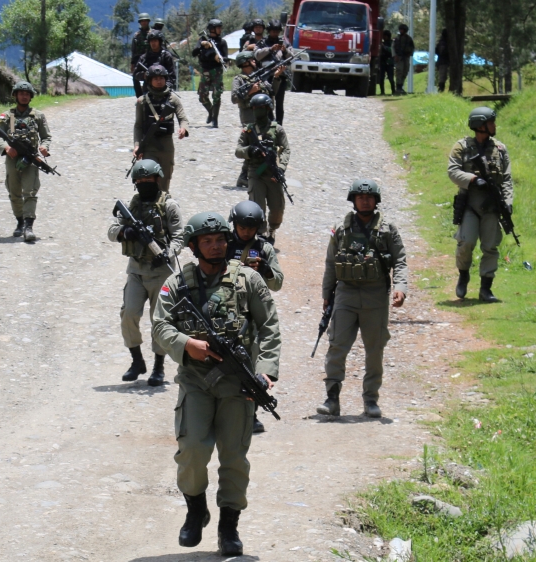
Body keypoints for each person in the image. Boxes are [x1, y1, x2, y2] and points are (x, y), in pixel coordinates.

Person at [151, 211, 281, 557]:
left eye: (221, 239)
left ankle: (229, 525)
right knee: (192, 449)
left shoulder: (248, 281)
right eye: (207, 241)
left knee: (234, 457)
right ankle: (196, 509)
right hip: (196, 381)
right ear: (193, 246)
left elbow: (269, 325)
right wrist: (186, 345)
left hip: (238, 385)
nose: (215, 246)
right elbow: (160, 325)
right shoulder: (177, 282)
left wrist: (266, 370)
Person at [317, 180, 408, 418]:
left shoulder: (388, 229)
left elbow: (400, 260)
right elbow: (330, 263)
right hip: (345, 294)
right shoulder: (341, 228)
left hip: (375, 295)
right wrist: (327, 294)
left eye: (369, 197)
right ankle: (332, 397)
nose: (365, 201)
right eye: (360, 197)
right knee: (337, 345)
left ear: (376, 201)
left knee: (374, 350)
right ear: (353, 200)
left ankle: (370, 399)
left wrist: (400, 287)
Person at [108, 159, 184, 386]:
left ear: (157, 179)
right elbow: (112, 231)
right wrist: (125, 231)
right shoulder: (132, 205)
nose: (143, 185)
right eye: (139, 182)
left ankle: (158, 367)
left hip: (161, 272)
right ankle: (137, 360)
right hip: (136, 270)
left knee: (159, 320)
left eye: (147, 180)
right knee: (129, 313)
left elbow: (180, 236)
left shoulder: (170, 206)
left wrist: (168, 253)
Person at [226, 200, 284, 434]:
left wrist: (266, 270)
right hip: (227, 306)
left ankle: (251, 415)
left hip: (253, 310)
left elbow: (277, 282)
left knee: (252, 360)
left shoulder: (264, 249)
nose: (246, 231)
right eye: (242, 226)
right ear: (234, 224)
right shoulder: (224, 244)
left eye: (251, 227)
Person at [447, 107, 513, 302]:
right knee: (466, 242)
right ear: (480, 125)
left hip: (492, 206)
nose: (495, 125)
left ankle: (486, 288)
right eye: (491, 122)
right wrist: (473, 180)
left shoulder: (500, 149)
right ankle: (463, 274)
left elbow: (507, 178)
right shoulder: (461, 147)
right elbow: (452, 171)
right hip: (470, 204)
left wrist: (508, 202)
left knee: (491, 246)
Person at [0, 81, 53, 243]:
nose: (24, 96)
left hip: (30, 158)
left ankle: (28, 226)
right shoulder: (8, 116)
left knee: (30, 192)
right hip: (12, 159)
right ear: (15, 95)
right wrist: (6, 148)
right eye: (21, 93)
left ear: (31, 96)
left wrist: (44, 147)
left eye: (27, 94)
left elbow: (46, 136)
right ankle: (19, 221)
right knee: (14, 192)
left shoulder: (38, 116)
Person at [234, 94, 291, 242]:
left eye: (260, 108)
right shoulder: (249, 130)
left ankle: (272, 229)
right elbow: (238, 151)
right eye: (254, 108)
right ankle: (260, 234)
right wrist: (250, 150)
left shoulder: (277, 129)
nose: (257, 111)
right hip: (255, 172)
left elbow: (286, 149)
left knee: (277, 208)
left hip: (273, 172)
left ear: (267, 109)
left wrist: (281, 167)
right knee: (257, 207)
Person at [133, 64, 189, 193]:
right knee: (148, 176)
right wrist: (137, 145)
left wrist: (183, 129)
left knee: (165, 178)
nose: (159, 81)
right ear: (150, 81)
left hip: (166, 144)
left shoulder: (173, 99)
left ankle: (164, 203)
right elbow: (138, 126)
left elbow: (183, 118)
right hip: (149, 145)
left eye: (161, 78)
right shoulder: (142, 101)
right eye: (155, 78)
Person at [230, 51, 273, 188]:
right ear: (245, 63)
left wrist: (276, 77)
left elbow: (271, 90)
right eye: (252, 60)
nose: (255, 61)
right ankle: (246, 176)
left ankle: (253, 175)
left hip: (264, 115)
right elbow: (234, 98)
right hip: (249, 116)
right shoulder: (239, 79)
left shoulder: (259, 76)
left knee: (265, 145)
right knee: (254, 146)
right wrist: (250, 92)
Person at [192, 19, 228, 127]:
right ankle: (211, 112)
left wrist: (219, 58)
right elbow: (194, 52)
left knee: (217, 94)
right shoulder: (203, 39)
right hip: (205, 70)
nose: (220, 30)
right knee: (202, 95)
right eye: (218, 28)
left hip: (217, 70)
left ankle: (215, 119)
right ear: (212, 29)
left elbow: (225, 57)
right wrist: (202, 45)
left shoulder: (222, 42)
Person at [258, 20, 291, 125]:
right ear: (269, 31)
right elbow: (257, 55)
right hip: (266, 77)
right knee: (267, 100)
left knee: (279, 102)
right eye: (273, 31)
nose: (275, 33)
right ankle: (270, 122)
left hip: (280, 77)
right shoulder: (263, 43)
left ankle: (279, 124)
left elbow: (292, 57)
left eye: (277, 31)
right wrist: (270, 49)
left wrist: (285, 51)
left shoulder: (285, 43)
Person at [131, 13, 153, 97]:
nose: (144, 23)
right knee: (135, 78)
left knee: (150, 77)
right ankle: (139, 97)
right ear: (140, 22)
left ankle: (150, 94)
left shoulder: (152, 34)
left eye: (145, 21)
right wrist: (132, 63)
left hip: (150, 59)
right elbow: (133, 50)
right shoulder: (136, 36)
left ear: (148, 22)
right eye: (142, 21)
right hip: (138, 60)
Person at [392, 24, 415, 95]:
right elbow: (393, 47)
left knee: (405, 71)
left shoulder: (409, 39)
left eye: (402, 29)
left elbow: (412, 47)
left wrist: (410, 53)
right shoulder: (397, 39)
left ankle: (401, 86)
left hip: (406, 57)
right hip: (399, 57)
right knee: (399, 71)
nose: (401, 31)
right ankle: (398, 88)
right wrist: (395, 55)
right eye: (400, 29)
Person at [378, 30, 396, 96]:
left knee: (391, 78)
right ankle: (382, 92)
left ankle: (393, 91)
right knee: (381, 78)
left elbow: (391, 50)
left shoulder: (392, 43)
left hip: (389, 62)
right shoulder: (383, 43)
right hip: (383, 62)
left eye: (384, 36)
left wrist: (384, 47)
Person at [435, 29, 449, 93]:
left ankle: (441, 90)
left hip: (443, 61)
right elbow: (441, 52)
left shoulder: (443, 42)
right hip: (443, 62)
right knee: (442, 77)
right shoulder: (443, 42)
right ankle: (441, 90)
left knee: (443, 77)